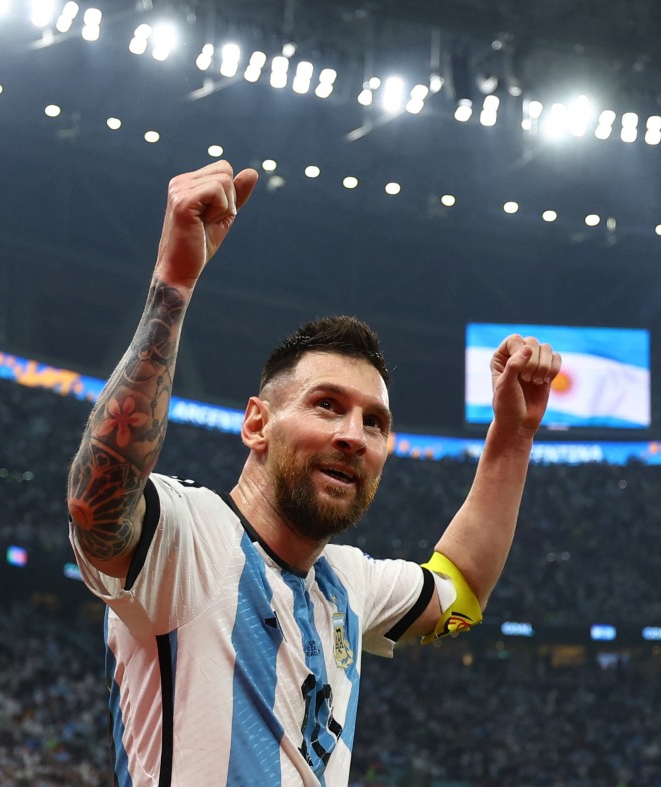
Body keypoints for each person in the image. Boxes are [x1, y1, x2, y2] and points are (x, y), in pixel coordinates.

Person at [65, 161, 561, 786]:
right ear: (256, 424)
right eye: (327, 405)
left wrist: (513, 437)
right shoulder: (190, 540)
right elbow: (97, 508)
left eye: (374, 422)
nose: (353, 436)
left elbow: (460, 590)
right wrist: (173, 287)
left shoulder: (347, 582)